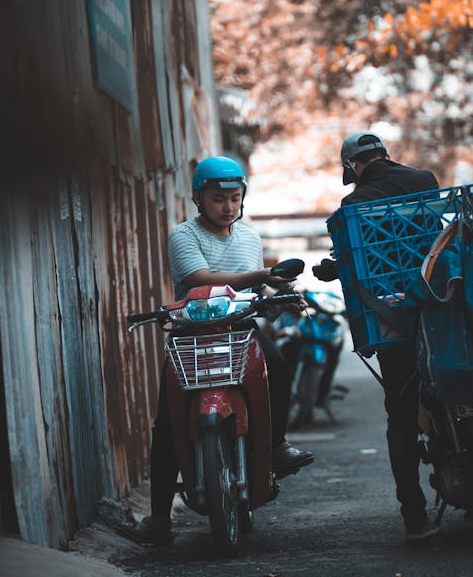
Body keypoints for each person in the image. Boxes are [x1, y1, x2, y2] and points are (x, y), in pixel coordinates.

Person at [132, 155, 314, 544]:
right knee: (168, 424)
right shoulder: (184, 235)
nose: (227, 206)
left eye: (234, 197)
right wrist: (261, 275)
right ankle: (160, 519)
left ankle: (276, 444)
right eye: (218, 198)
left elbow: (254, 289)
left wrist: (278, 295)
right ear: (199, 198)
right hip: (192, 334)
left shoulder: (249, 237)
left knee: (278, 366)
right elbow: (200, 277)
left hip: (240, 330)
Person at [313, 131, 440, 541]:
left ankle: (415, 518)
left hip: (391, 322)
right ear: (384, 154)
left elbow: (356, 263)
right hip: (440, 313)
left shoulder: (353, 204)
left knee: (400, 416)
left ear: (353, 166)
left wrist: (330, 270)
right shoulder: (425, 181)